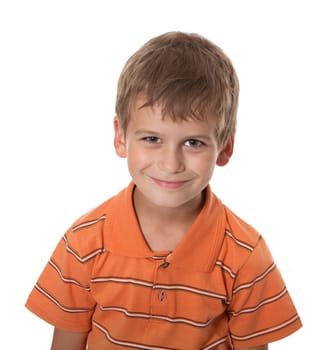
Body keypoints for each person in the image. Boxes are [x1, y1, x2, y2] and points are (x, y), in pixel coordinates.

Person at [25, 31, 302, 350]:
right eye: (152, 139)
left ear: (224, 148)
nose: (171, 164)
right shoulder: (84, 242)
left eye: (193, 142)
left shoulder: (246, 256)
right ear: (120, 137)